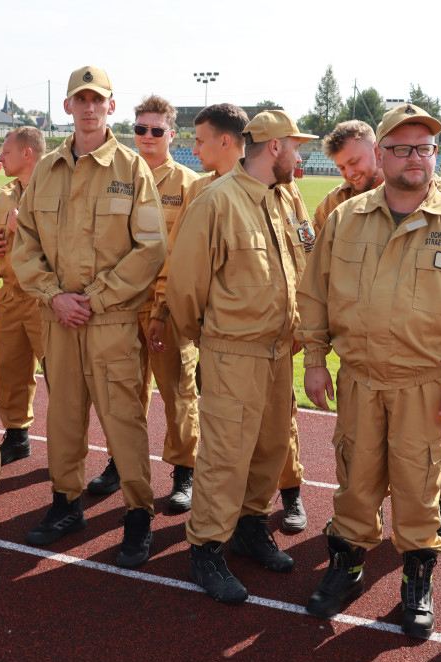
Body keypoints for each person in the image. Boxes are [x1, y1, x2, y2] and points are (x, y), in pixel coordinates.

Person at [296, 104, 441, 637]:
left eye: (425, 148)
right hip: (358, 378)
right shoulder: (345, 218)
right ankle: (349, 568)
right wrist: (315, 361)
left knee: (418, 486)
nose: (415, 157)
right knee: (355, 482)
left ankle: (416, 580)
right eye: (402, 148)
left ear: (435, 154)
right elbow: (313, 294)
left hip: (423, 385)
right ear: (381, 154)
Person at [11, 66, 166, 568]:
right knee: (65, 416)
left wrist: (95, 298)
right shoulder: (49, 169)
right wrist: (54, 296)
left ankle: (138, 517)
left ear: (111, 107)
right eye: (80, 99)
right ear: (68, 107)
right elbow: (25, 243)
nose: (89, 107)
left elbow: (150, 248)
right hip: (59, 318)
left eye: (97, 99)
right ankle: (66, 505)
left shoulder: (131, 168)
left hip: (110, 320)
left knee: (123, 419)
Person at [167, 110, 315, 603]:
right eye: (296, 146)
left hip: (277, 352)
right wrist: (207, 339)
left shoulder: (277, 200)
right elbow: (186, 287)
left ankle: (251, 527)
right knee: (226, 455)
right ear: (273, 147)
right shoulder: (217, 200)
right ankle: (206, 547)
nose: (302, 155)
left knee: (269, 448)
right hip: (233, 351)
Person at [316, 120, 441, 545]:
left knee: (419, 454)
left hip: (416, 360)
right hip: (361, 359)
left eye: (355, 162)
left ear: (377, 151)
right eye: (342, 167)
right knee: (361, 456)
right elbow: (319, 278)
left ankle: (435, 508)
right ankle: (361, 523)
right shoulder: (335, 208)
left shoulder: (434, 197)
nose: (350, 174)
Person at [88, 95, 201, 514]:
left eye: (156, 130)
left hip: (167, 310)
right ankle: (122, 463)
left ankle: (183, 473)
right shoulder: (114, 178)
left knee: (177, 392)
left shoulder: (189, 184)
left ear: (173, 134)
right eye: (140, 129)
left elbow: (187, 257)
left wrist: (166, 308)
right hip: (120, 305)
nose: (147, 137)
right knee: (123, 393)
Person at [0, 126, 46, 465]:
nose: (0, 157)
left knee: (61, 376)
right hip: (10, 296)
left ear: (27, 154)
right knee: (10, 372)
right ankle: (17, 435)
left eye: (6, 151)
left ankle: (69, 447)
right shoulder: (4, 195)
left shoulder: (55, 190)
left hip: (44, 298)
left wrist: (20, 227)